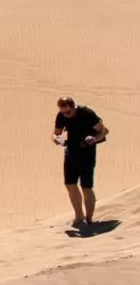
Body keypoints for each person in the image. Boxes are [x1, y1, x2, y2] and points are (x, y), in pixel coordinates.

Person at [54, 96, 108, 228]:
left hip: (87, 153)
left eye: (68, 112)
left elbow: (104, 131)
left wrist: (94, 138)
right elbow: (55, 133)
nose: (65, 115)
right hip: (71, 152)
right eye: (63, 112)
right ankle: (79, 217)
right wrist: (57, 138)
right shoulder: (61, 115)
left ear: (74, 107)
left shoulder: (86, 113)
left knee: (86, 187)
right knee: (70, 184)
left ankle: (89, 219)